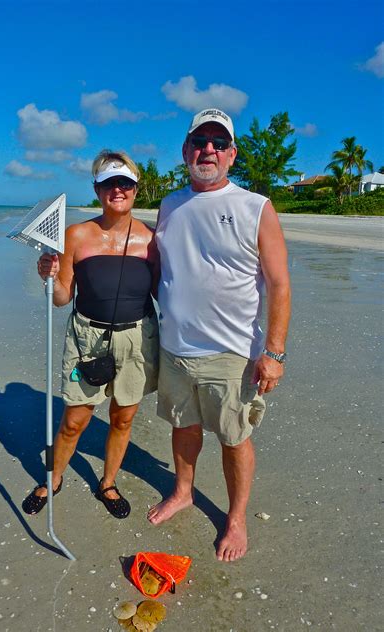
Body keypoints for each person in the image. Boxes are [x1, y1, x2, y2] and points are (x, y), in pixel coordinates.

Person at [148, 108, 291, 562]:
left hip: (231, 354)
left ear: (231, 154)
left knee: (234, 438)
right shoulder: (169, 205)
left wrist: (274, 352)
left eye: (217, 143)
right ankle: (183, 491)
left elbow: (280, 283)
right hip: (175, 348)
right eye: (199, 141)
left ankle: (236, 518)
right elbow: (157, 267)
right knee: (183, 426)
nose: (207, 150)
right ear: (185, 150)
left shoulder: (255, 207)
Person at [22, 150, 159, 519]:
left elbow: (166, 293)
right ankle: (54, 477)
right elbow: (63, 298)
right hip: (87, 338)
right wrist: (48, 278)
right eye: (109, 183)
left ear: (136, 189)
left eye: (125, 182)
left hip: (137, 339)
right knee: (73, 421)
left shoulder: (152, 239)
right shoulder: (76, 235)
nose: (118, 189)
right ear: (97, 189)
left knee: (123, 418)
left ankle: (108, 482)